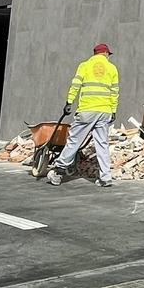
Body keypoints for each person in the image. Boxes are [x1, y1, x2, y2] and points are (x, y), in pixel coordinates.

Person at [48, 43, 120, 187]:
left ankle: (58, 171)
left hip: (87, 110)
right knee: (102, 144)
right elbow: (114, 92)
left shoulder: (84, 65)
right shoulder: (112, 68)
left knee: (74, 141)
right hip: (104, 111)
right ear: (105, 54)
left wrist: (69, 102)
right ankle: (105, 178)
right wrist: (113, 110)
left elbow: (75, 84)